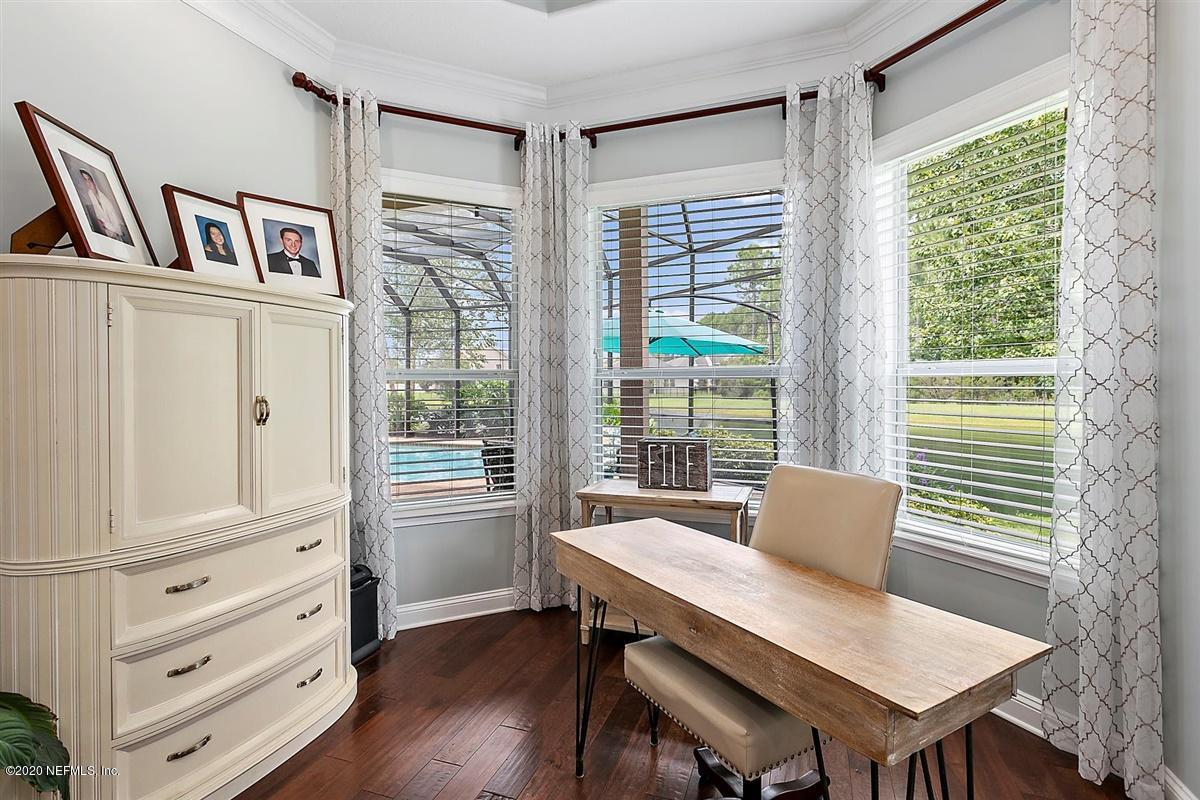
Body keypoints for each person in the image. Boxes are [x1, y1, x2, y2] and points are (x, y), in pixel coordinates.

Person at [77, 169, 132, 244]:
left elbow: (114, 219)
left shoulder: (104, 198)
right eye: (85, 180)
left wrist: (111, 228)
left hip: (115, 232)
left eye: (89, 179)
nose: (88, 182)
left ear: (93, 180)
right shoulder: (89, 196)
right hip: (103, 233)